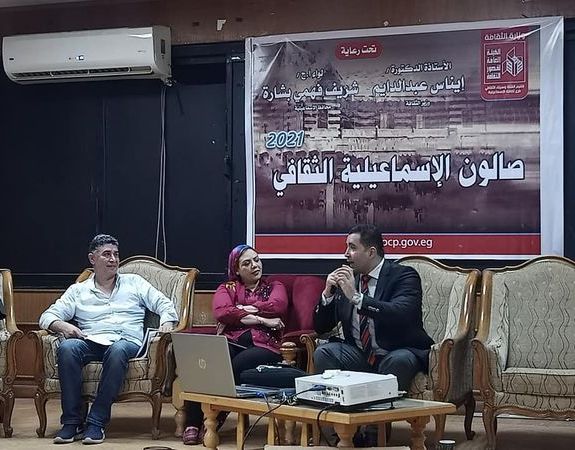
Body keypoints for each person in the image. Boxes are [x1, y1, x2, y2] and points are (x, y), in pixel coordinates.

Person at [39, 234, 178, 445]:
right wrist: (63, 326)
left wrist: (167, 322)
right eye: (106, 254)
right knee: (67, 348)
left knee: (117, 350)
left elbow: (164, 304)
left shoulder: (134, 282)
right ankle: (72, 422)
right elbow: (47, 316)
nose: (113, 259)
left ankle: (96, 421)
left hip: (126, 341)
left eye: (116, 254)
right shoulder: (78, 291)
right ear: (92, 258)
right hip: (91, 340)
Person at [182, 244, 288, 445]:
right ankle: (193, 422)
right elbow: (222, 312)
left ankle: (215, 417)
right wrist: (263, 320)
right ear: (237, 270)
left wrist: (240, 309)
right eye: (247, 263)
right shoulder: (227, 288)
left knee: (235, 365)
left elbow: (277, 306)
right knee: (206, 362)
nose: (254, 265)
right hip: (232, 341)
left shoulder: (275, 286)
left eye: (256, 260)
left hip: (264, 346)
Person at [313, 224, 433, 392]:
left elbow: (401, 313)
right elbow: (321, 328)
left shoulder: (403, 275)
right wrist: (328, 294)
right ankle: (339, 406)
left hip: (395, 351)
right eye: (346, 247)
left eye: (352, 248)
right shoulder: (349, 280)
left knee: (400, 360)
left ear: (371, 252)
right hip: (359, 355)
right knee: (324, 352)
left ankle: (384, 408)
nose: (346, 254)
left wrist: (356, 298)